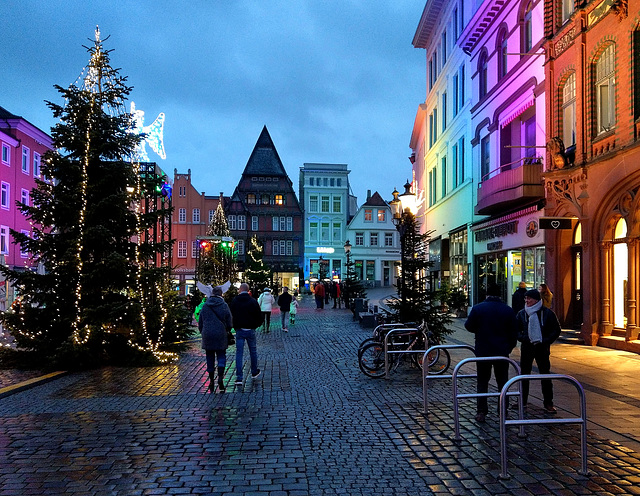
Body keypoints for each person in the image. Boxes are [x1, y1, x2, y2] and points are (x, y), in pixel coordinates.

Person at [464, 284, 519, 423]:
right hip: (501, 351)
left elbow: (468, 326)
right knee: (503, 381)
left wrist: (480, 330)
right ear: (500, 294)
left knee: (482, 381)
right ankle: (503, 410)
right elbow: (514, 333)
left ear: (486, 294)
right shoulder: (508, 310)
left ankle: (481, 411)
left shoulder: (478, 308)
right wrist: (509, 347)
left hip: (483, 350)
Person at [516, 288, 562, 413]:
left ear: (536, 300)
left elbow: (556, 329)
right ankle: (522, 401)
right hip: (527, 347)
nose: (526, 301)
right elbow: (516, 330)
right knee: (524, 375)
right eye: (525, 298)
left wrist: (545, 340)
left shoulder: (547, 313)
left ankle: (548, 403)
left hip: (542, 347)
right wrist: (524, 338)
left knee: (545, 375)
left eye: (529, 298)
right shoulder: (522, 313)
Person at [198, 286, 233, 393]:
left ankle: (211, 379)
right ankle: (221, 377)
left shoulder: (205, 306)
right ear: (221, 294)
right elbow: (229, 321)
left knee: (209, 356)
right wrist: (227, 329)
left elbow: (200, 321)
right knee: (221, 355)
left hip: (208, 334)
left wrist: (203, 331)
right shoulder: (224, 305)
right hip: (220, 334)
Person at [229, 283, 264, 386]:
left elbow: (231, 314)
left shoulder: (235, 301)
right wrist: (255, 325)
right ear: (248, 290)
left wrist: (234, 326)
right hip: (250, 329)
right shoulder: (252, 301)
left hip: (239, 330)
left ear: (240, 290)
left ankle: (239, 377)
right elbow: (259, 315)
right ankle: (254, 371)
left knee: (239, 353)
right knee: (253, 351)